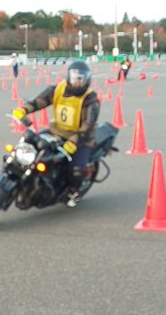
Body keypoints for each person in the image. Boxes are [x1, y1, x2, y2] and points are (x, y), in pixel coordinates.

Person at [12, 60, 100, 207]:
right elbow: (39, 101)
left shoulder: (91, 99)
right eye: (75, 78)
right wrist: (24, 109)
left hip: (81, 138)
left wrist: (74, 141)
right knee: (31, 144)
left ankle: (74, 191)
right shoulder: (57, 89)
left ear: (87, 80)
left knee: (76, 170)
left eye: (81, 79)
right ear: (69, 77)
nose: (77, 82)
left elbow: (88, 125)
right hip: (57, 131)